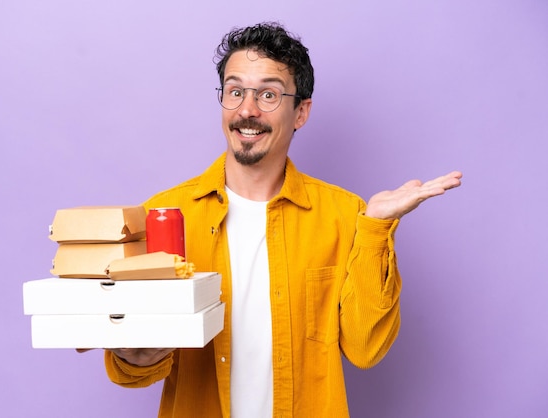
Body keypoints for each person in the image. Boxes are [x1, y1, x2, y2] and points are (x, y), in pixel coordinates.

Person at [101, 22, 462, 417]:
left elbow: (366, 350)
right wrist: (133, 353)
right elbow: (131, 371)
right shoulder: (164, 215)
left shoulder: (344, 215)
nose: (247, 110)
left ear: (300, 112)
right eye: (235, 91)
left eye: (268, 94)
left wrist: (375, 229)